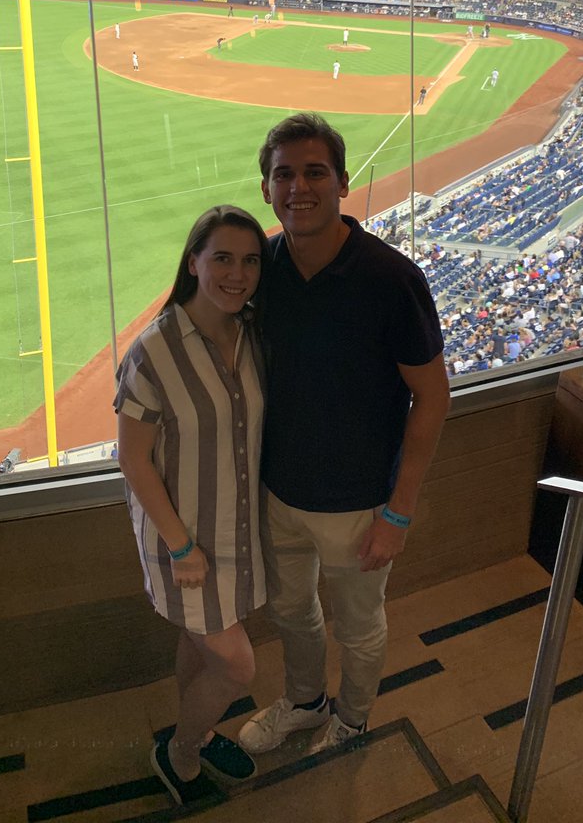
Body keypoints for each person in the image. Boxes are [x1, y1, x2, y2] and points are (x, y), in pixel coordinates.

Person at [239, 113, 449, 757]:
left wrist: (399, 513)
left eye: (314, 172)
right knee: (291, 613)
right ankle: (305, 703)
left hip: (359, 505)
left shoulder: (391, 278)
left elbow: (433, 396)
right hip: (279, 493)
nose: (298, 187)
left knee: (358, 629)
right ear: (267, 189)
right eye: (284, 175)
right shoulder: (262, 267)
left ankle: (352, 720)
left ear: (342, 182)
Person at [116, 205, 271, 806]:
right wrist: (181, 547)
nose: (237, 274)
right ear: (193, 264)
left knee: (197, 643)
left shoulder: (252, 333)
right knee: (237, 666)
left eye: (250, 261)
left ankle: (199, 732)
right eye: (222, 258)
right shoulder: (153, 351)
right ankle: (180, 751)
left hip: (236, 532)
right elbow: (133, 460)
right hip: (182, 542)